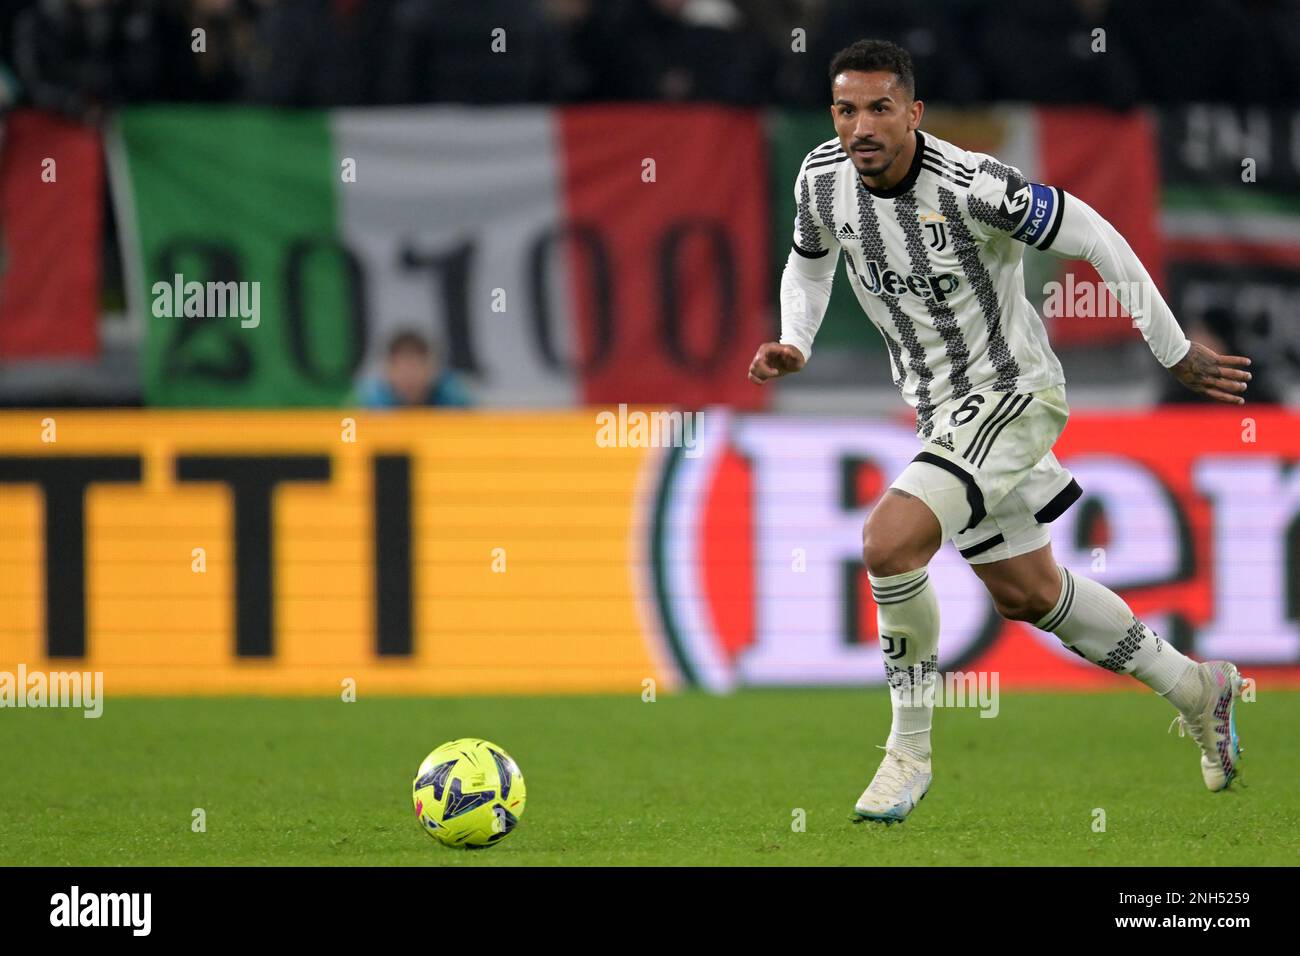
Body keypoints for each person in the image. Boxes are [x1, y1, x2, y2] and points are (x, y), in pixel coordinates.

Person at [748, 39, 1253, 824]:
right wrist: (798, 339)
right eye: (847, 109)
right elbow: (809, 265)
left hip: (1011, 394)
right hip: (938, 409)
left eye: (881, 107)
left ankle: (906, 755)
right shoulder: (821, 179)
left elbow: (1096, 235)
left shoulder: (974, 185)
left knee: (889, 544)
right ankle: (1197, 687)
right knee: (1029, 594)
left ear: (913, 113)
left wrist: (1174, 351)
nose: (862, 126)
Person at [356, 331, 473, 408]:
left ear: (432, 370)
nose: (410, 377)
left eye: (415, 367)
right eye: (402, 369)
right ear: (388, 371)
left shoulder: (454, 399)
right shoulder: (368, 406)